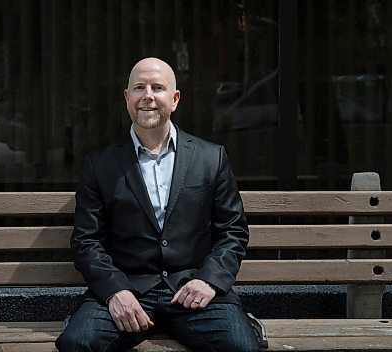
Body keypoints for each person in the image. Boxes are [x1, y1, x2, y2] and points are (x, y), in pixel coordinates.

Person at [56, 57, 260, 352]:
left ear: (174, 99)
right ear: (127, 98)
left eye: (158, 87)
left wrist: (209, 281)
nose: (147, 95)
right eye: (139, 87)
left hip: (193, 290)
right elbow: (87, 241)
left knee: (243, 347)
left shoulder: (210, 157)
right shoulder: (99, 165)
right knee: (78, 343)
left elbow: (233, 231)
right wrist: (115, 291)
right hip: (129, 289)